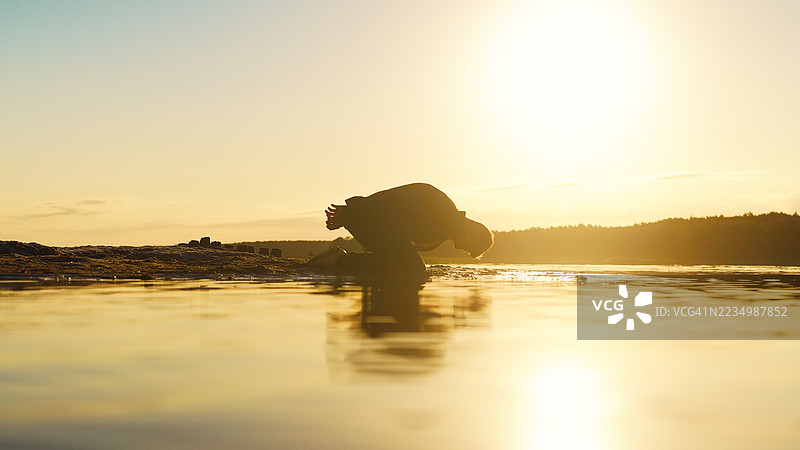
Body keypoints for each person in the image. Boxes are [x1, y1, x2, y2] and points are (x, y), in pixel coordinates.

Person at [307, 183, 493, 273]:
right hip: (369, 218)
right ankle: (338, 261)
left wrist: (352, 213)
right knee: (412, 268)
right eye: (468, 248)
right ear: (473, 234)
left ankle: (340, 258)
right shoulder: (446, 222)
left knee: (404, 261)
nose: (457, 248)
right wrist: (352, 214)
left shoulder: (447, 215)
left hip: (367, 216)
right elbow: (393, 210)